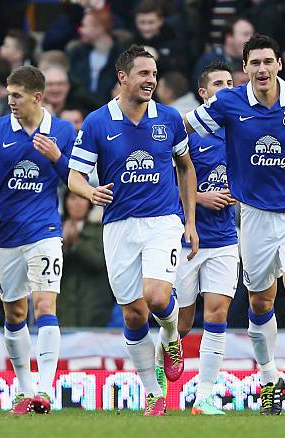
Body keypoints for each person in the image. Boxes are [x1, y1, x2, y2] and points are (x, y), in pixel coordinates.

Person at [185, 34, 285, 415]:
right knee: (260, 300)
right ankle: (269, 379)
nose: (262, 69)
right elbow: (183, 128)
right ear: (244, 69)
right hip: (254, 214)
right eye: (255, 63)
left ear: (279, 64)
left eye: (269, 61)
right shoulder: (228, 102)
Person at [67, 45, 198, 416]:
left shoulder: (169, 118)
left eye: (154, 74)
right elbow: (74, 175)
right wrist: (90, 191)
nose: (151, 81)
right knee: (134, 316)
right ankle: (154, 394)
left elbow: (186, 167)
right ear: (122, 77)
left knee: (156, 298)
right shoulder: (97, 122)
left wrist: (189, 221)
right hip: (119, 226)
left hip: (162, 221)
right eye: (143, 74)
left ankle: (171, 337)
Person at [0, 66, 76, 415]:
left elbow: (77, 178)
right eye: (9, 94)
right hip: (7, 235)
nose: (9, 101)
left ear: (37, 97)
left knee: (45, 306)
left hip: (45, 232)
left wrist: (57, 157)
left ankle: (45, 390)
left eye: (16, 95)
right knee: (15, 312)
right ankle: (24, 391)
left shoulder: (62, 131)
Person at [155, 61, 238, 415]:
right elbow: (158, 184)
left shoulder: (240, 131)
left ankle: (204, 397)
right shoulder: (188, 130)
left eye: (231, 82)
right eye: (218, 83)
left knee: (217, 314)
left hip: (225, 238)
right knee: (183, 322)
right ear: (203, 94)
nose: (227, 88)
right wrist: (199, 197)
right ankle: (158, 376)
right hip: (188, 238)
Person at [59, 190, 114, 327]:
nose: (77, 203)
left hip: (95, 307)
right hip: (63, 308)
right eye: (72, 198)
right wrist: (63, 243)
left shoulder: (100, 230)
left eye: (82, 198)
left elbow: (98, 261)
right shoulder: (55, 230)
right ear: (65, 202)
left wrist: (76, 240)